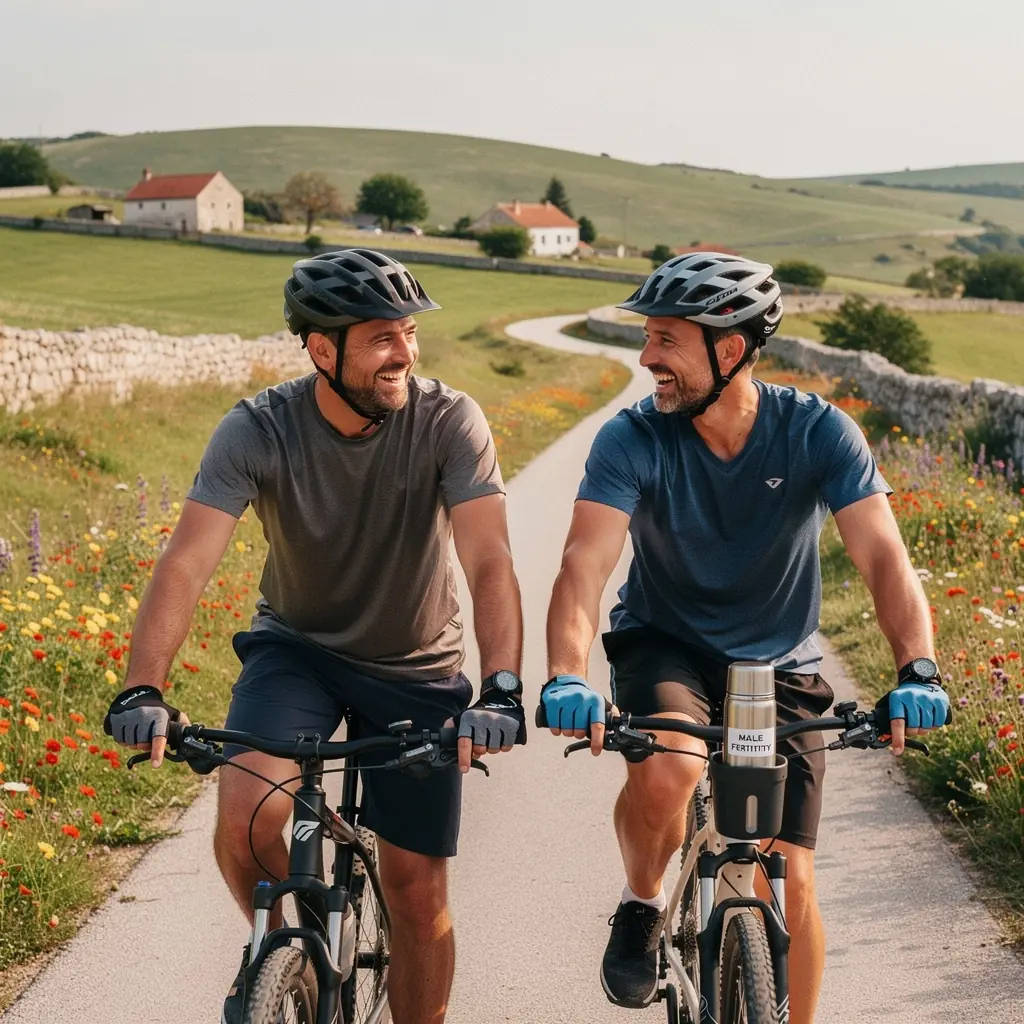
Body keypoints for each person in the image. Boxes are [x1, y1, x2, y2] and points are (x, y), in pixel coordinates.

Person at [104, 249, 527, 1024]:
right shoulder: (257, 428)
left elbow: (489, 558)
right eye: (382, 338)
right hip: (297, 651)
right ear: (322, 350)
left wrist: (501, 686)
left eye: (408, 333)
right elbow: (187, 562)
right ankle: (289, 960)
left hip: (417, 664)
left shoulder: (448, 420)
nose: (404, 352)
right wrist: (143, 687)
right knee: (246, 821)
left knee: (415, 890)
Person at [540, 252, 950, 1022]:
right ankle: (642, 900)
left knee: (789, 878)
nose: (646, 357)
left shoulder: (818, 432)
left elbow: (884, 559)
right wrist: (567, 672)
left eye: (666, 339)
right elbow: (583, 564)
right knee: (672, 764)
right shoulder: (633, 437)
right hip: (665, 645)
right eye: (648, 337)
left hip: (777, 665)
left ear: (729, 349)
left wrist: (917, 669)